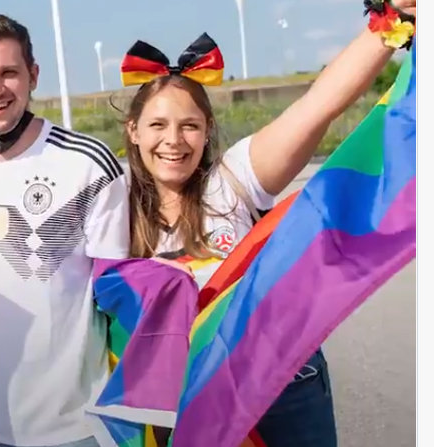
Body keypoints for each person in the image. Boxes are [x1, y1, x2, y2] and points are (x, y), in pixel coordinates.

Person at [119, 1, 415, 446]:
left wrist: (392, 18)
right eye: (157, 124)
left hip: (280, 382)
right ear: (133, 131)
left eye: (190, 126)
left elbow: (319, 105)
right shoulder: (109, 203)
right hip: (180, 395)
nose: (174, 141)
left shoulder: (234, 177)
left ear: (207, 129)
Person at [0, 14, 128, 447]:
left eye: (9, 72)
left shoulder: (90, 163)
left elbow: (120, 292)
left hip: (74, 427)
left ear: (33, 75)